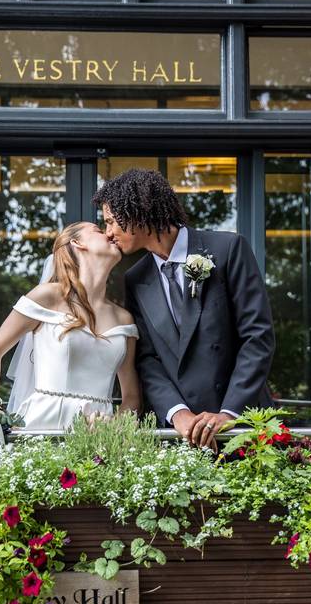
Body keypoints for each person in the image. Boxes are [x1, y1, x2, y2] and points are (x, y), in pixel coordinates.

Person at [94, 169, 275, 449]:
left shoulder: (228, 249)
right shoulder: (135, 278)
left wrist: (229, 414)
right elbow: (147, 358)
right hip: (179, 438)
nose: (108, 234)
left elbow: (257, 337)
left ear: (138, 212)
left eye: (110, 222)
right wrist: (178, 414)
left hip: (244, 429)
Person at [0, 222, 141, 430]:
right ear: (77, 243)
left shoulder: (124, 318)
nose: (110, 233)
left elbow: (132, 397)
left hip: (97, 440)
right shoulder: (47, 296)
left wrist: (113, 428)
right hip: (41, 426)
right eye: (99, 230)